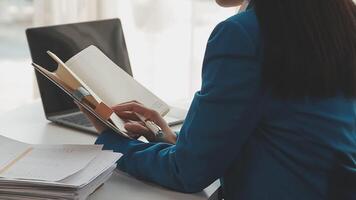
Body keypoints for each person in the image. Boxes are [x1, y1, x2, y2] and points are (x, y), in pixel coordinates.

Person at [81, 0, 356, 199]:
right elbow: (293, 134)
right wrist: (178, 144)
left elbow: (187, 174)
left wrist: (110, 139)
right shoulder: (340, 21)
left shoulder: (243, 35)